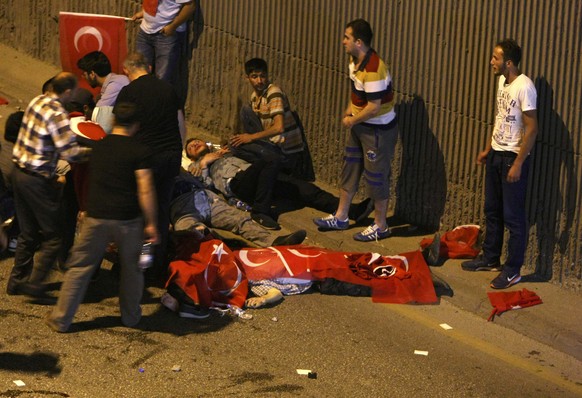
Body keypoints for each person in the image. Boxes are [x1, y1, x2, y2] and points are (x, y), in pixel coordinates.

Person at [46, 102, 158, 332]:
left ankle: (61, 319)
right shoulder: (140, 151)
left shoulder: (98, 146)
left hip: (96, 216)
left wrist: (84, 208)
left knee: (80, 267)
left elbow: (89, 179)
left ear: (114, 120)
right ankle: (131, 317)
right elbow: (145, 188)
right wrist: (151, 223)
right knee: (132, 270)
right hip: (128, 219)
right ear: (136, 125)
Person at [461, 39, 538, 289]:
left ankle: (513, 269)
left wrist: (518, 162)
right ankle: (491, 257)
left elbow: (532, 128)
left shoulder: (525, 86)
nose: (491, 62)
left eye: (495, 58)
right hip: (496, 154)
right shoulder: (501, 81)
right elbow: (500, 117)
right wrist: (487, 149)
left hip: (511, 159)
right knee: (492, 210)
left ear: (508, 62)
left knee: (513, 218)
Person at [313, 19, 398, 242]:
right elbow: (357, 95)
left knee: (376, 177)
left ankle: (381, 225)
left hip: (377, 131)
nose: (343, 42)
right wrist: (348, 111)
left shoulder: (374, 70)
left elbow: (374, 106)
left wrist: (352, 120)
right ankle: (341, 216)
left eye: (347, 38)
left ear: (358, 42)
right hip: (360, 126)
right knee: (350, 168)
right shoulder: (354, 61)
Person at [7, 72, 91, 296]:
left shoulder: (37, 101)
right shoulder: (57, 113)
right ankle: (36, 286)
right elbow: (69, 152)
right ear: (66, 92)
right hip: (37, 180)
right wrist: (95, 152)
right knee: (55, 236)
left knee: (28, 232)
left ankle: (17, 281)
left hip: (19, 173)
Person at [184, 138, 374, 227]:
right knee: (271, 159)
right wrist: (204, 163)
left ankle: (351, 211)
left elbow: (250, 155)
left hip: (261, 176)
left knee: (303, 189)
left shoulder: (224, 150)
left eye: (196, 141)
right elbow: (206, 187)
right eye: (190, 146)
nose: (194, 144)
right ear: (190, 155)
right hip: (238, 184)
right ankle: (260, 211)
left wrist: (229, 149)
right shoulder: (196, 166)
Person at [116, 52, 184, 282]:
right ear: (150, 66)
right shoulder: (168, 88)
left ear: (126, 71)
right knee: (161, 212)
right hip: (171, 157)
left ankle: (137, 264)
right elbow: (180, 123)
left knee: (141, 213)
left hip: (146, 160)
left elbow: (121, 129)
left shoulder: (129, 92)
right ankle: (155, 265)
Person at [170, 171, 307, 248]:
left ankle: (274, 242)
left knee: (239, 220)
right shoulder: (155, 170)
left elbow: (209, 184)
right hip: (181, 204)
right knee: (190, 231)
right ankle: (219, 246)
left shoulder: (183, 170)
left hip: (204, 196)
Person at [230, 58, 309, 180]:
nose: (259, 81)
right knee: (245, 113)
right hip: (271, 144)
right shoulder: (255, 97)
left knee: (237, 148)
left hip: (285, 153)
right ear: (247, 78)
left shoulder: (273, 93)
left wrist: (250, 137)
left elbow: (279, 127)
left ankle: (271, 168)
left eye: (262, 76)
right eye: (254, 77)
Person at [131, 0, 196, 87]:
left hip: (166, 35)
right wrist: (144, 13)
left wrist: (172, 26)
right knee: (139, 74)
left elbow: (190, 6)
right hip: (145, 30)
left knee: (162, 81)